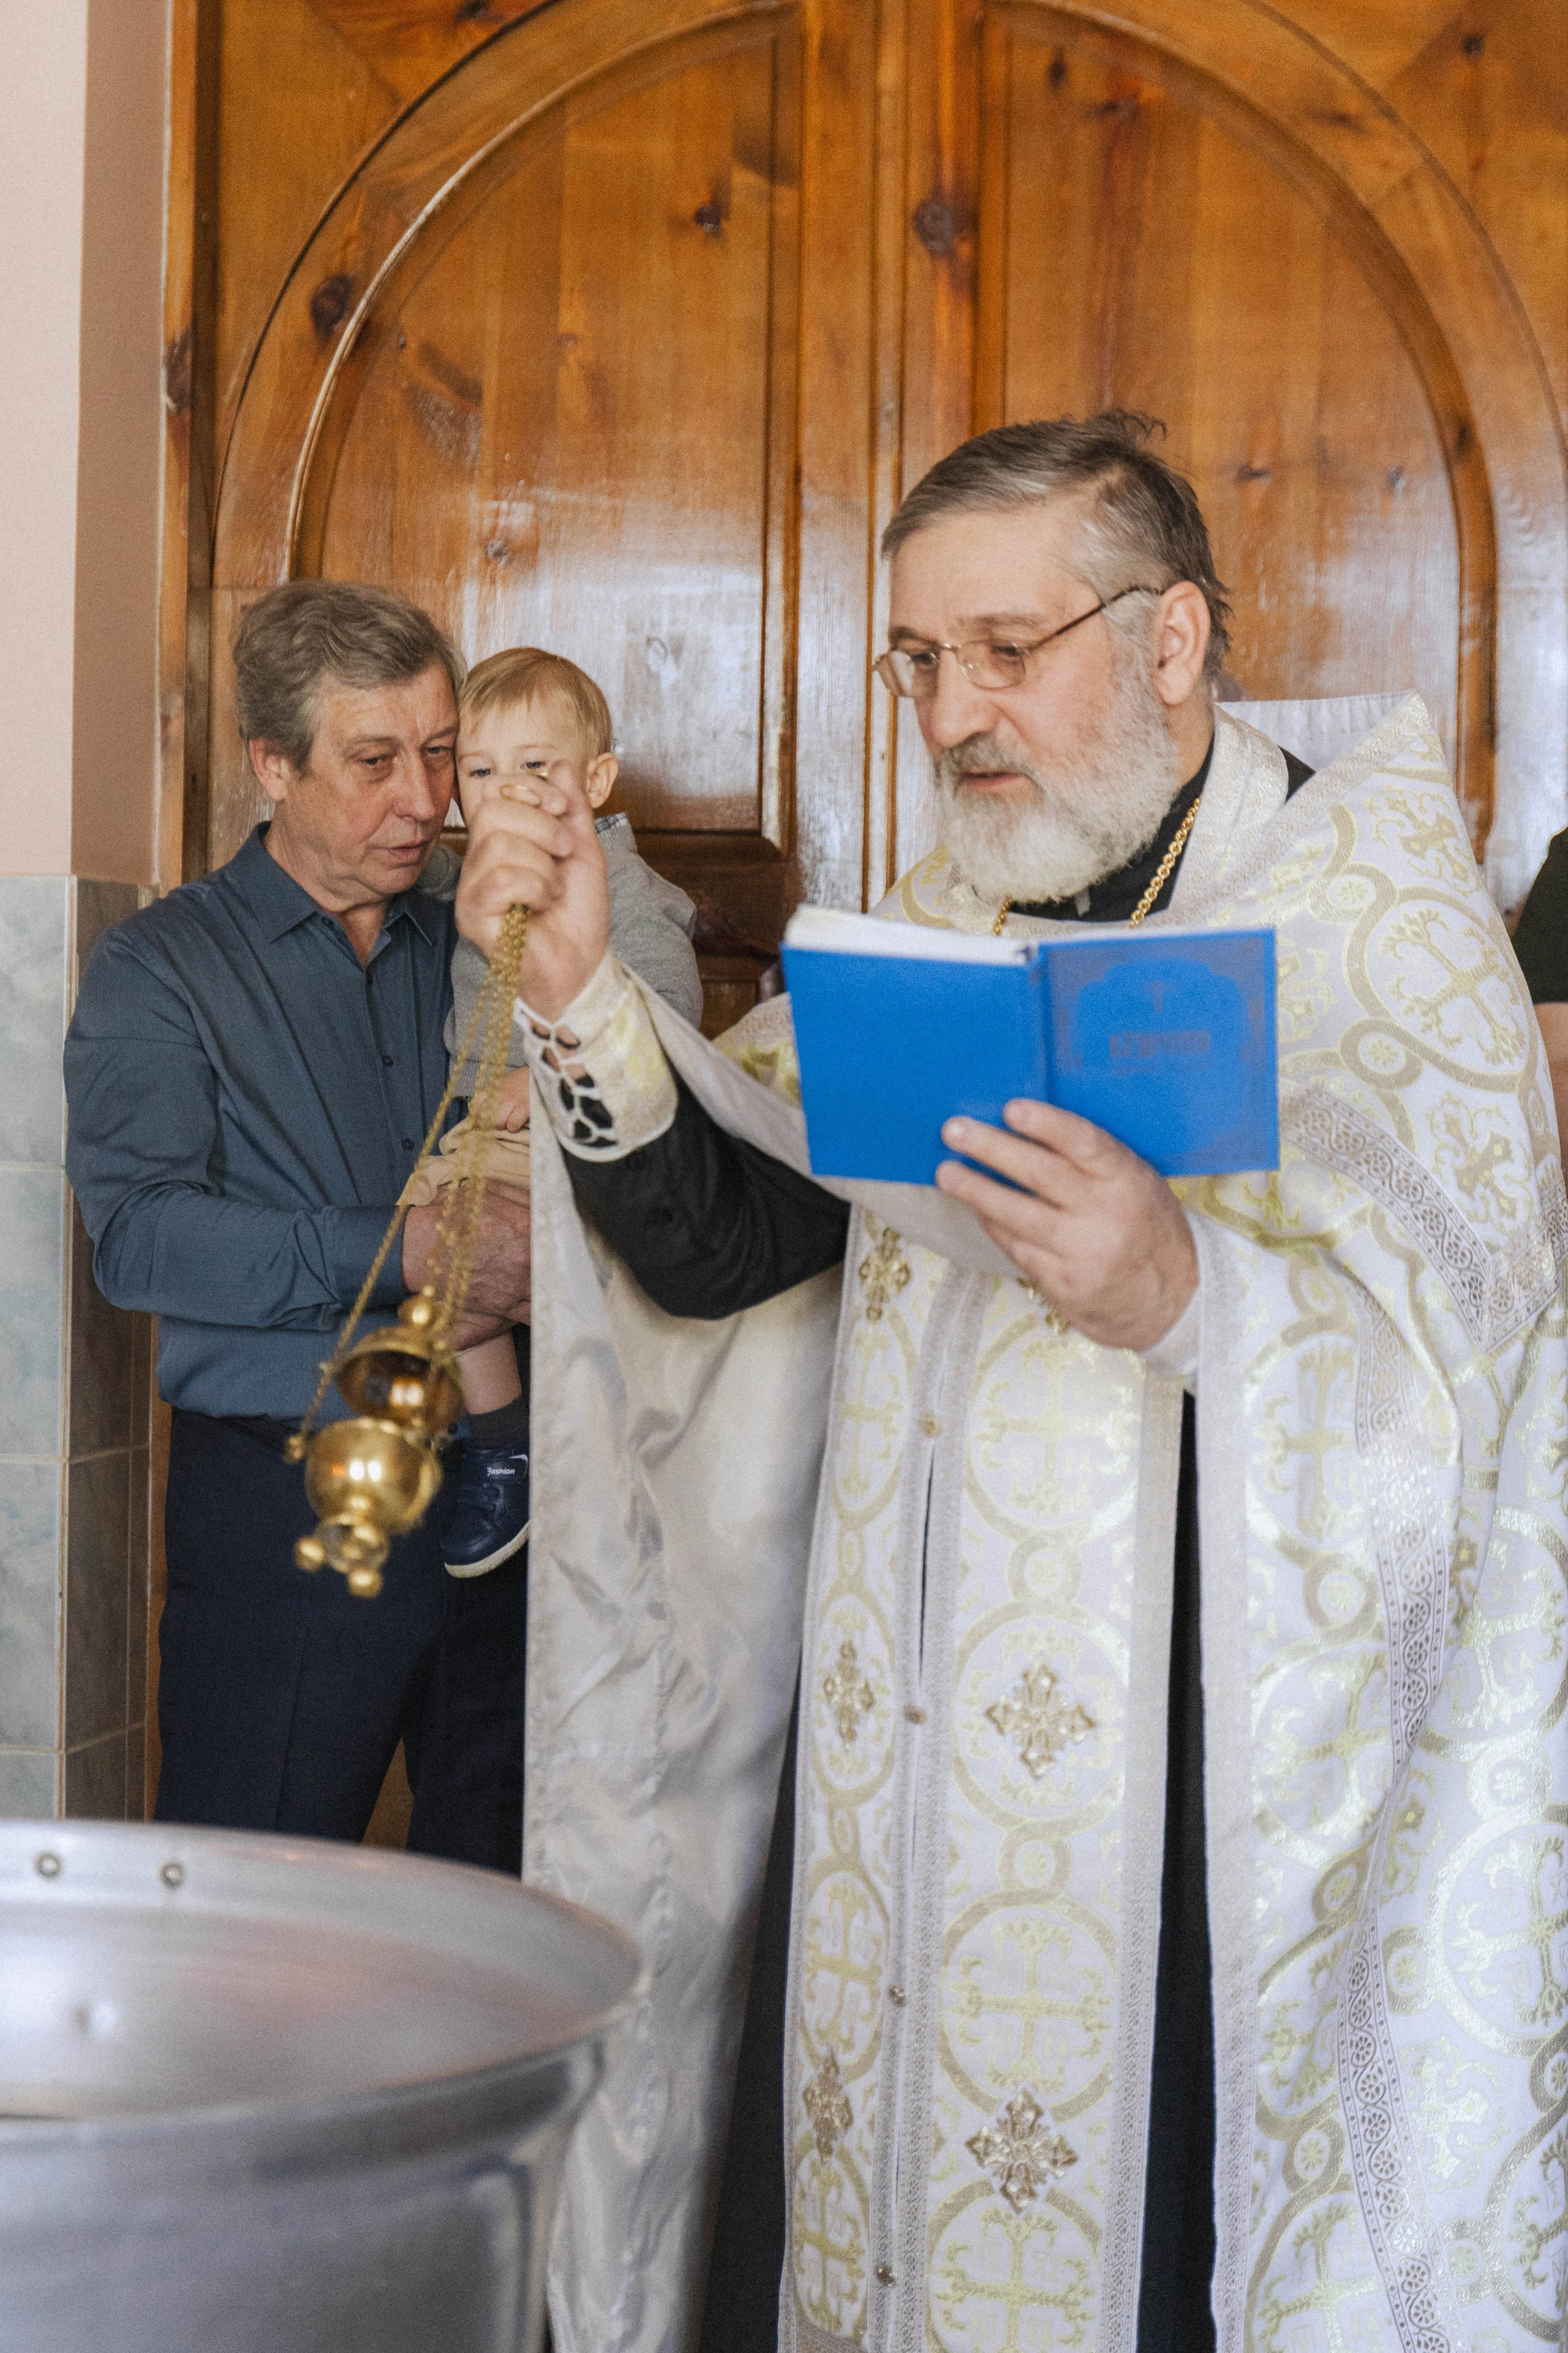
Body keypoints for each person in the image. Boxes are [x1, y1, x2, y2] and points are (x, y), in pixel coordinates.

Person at [457, 413, 1568, 2351]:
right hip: (902, 1807)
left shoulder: (1378, 922)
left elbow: (1483, 1426)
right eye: (915, 659)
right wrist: (582, 1000)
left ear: (1171, 640)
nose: (950, 709)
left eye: (1003, 647)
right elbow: (745, 1246)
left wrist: (1187, 1297)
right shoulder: (951, 919)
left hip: (1208, 1840)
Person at [63, 580, 535, 1869]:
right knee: (249, 1910)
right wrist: (408, 1251)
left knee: (501, 1914)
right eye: (375, 761)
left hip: (522, 1496)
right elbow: (141, 1240)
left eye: (440, 753)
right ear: (272, 765)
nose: (427, 799)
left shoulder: (482, 944)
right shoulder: (160, 968)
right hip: (288, 1518)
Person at [405, 645, 702, 1576]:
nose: (510, 792)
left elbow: (664, 1021)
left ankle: (522, 1444)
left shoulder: (623, 895)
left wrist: (538, 1086)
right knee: (425, 1254)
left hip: (569, 1121)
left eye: (539, 767)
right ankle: (507, 1436)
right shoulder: (471, 878)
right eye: (483, 772)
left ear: (599, 779)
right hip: (478, 1124)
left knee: (457, 1269)